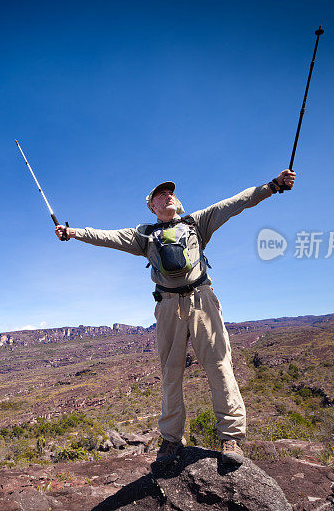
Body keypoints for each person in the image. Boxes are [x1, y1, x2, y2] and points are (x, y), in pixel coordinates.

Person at [55, 169, 296, 465]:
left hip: (201, 299)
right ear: (152, 207)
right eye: (159, 195)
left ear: (176, 201)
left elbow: (236, 202)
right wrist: (72, 232)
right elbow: (106, 236)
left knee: (219, 365)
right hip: (168, 305)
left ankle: (231, 439)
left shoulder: (197, 222)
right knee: (170, 372)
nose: (167, 195)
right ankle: (171, 439)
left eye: (170, 192)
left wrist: (272, 186)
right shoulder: (143, 235)